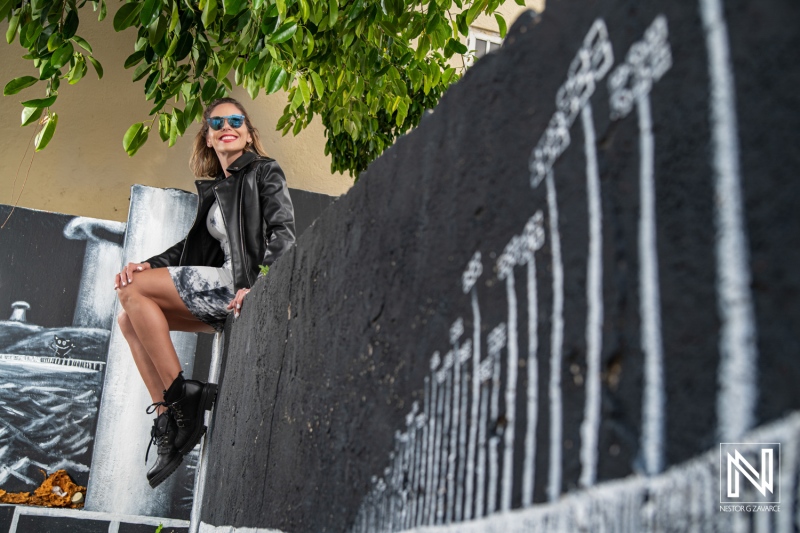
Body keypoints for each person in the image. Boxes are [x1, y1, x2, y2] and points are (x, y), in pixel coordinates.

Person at [114, 97, 296, 488]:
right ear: (209, 139)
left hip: (239, 285)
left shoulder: (264, 171)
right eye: (217, 124)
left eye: (235, 121)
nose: (226, 126)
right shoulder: (219, 189)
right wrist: (147, 264)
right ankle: (167, 416)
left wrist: (260, 286)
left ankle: (185, 396)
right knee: (128, 318)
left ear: (248, 133)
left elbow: (283, 233)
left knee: (132, 292)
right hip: (220, 290)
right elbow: (189, 249)